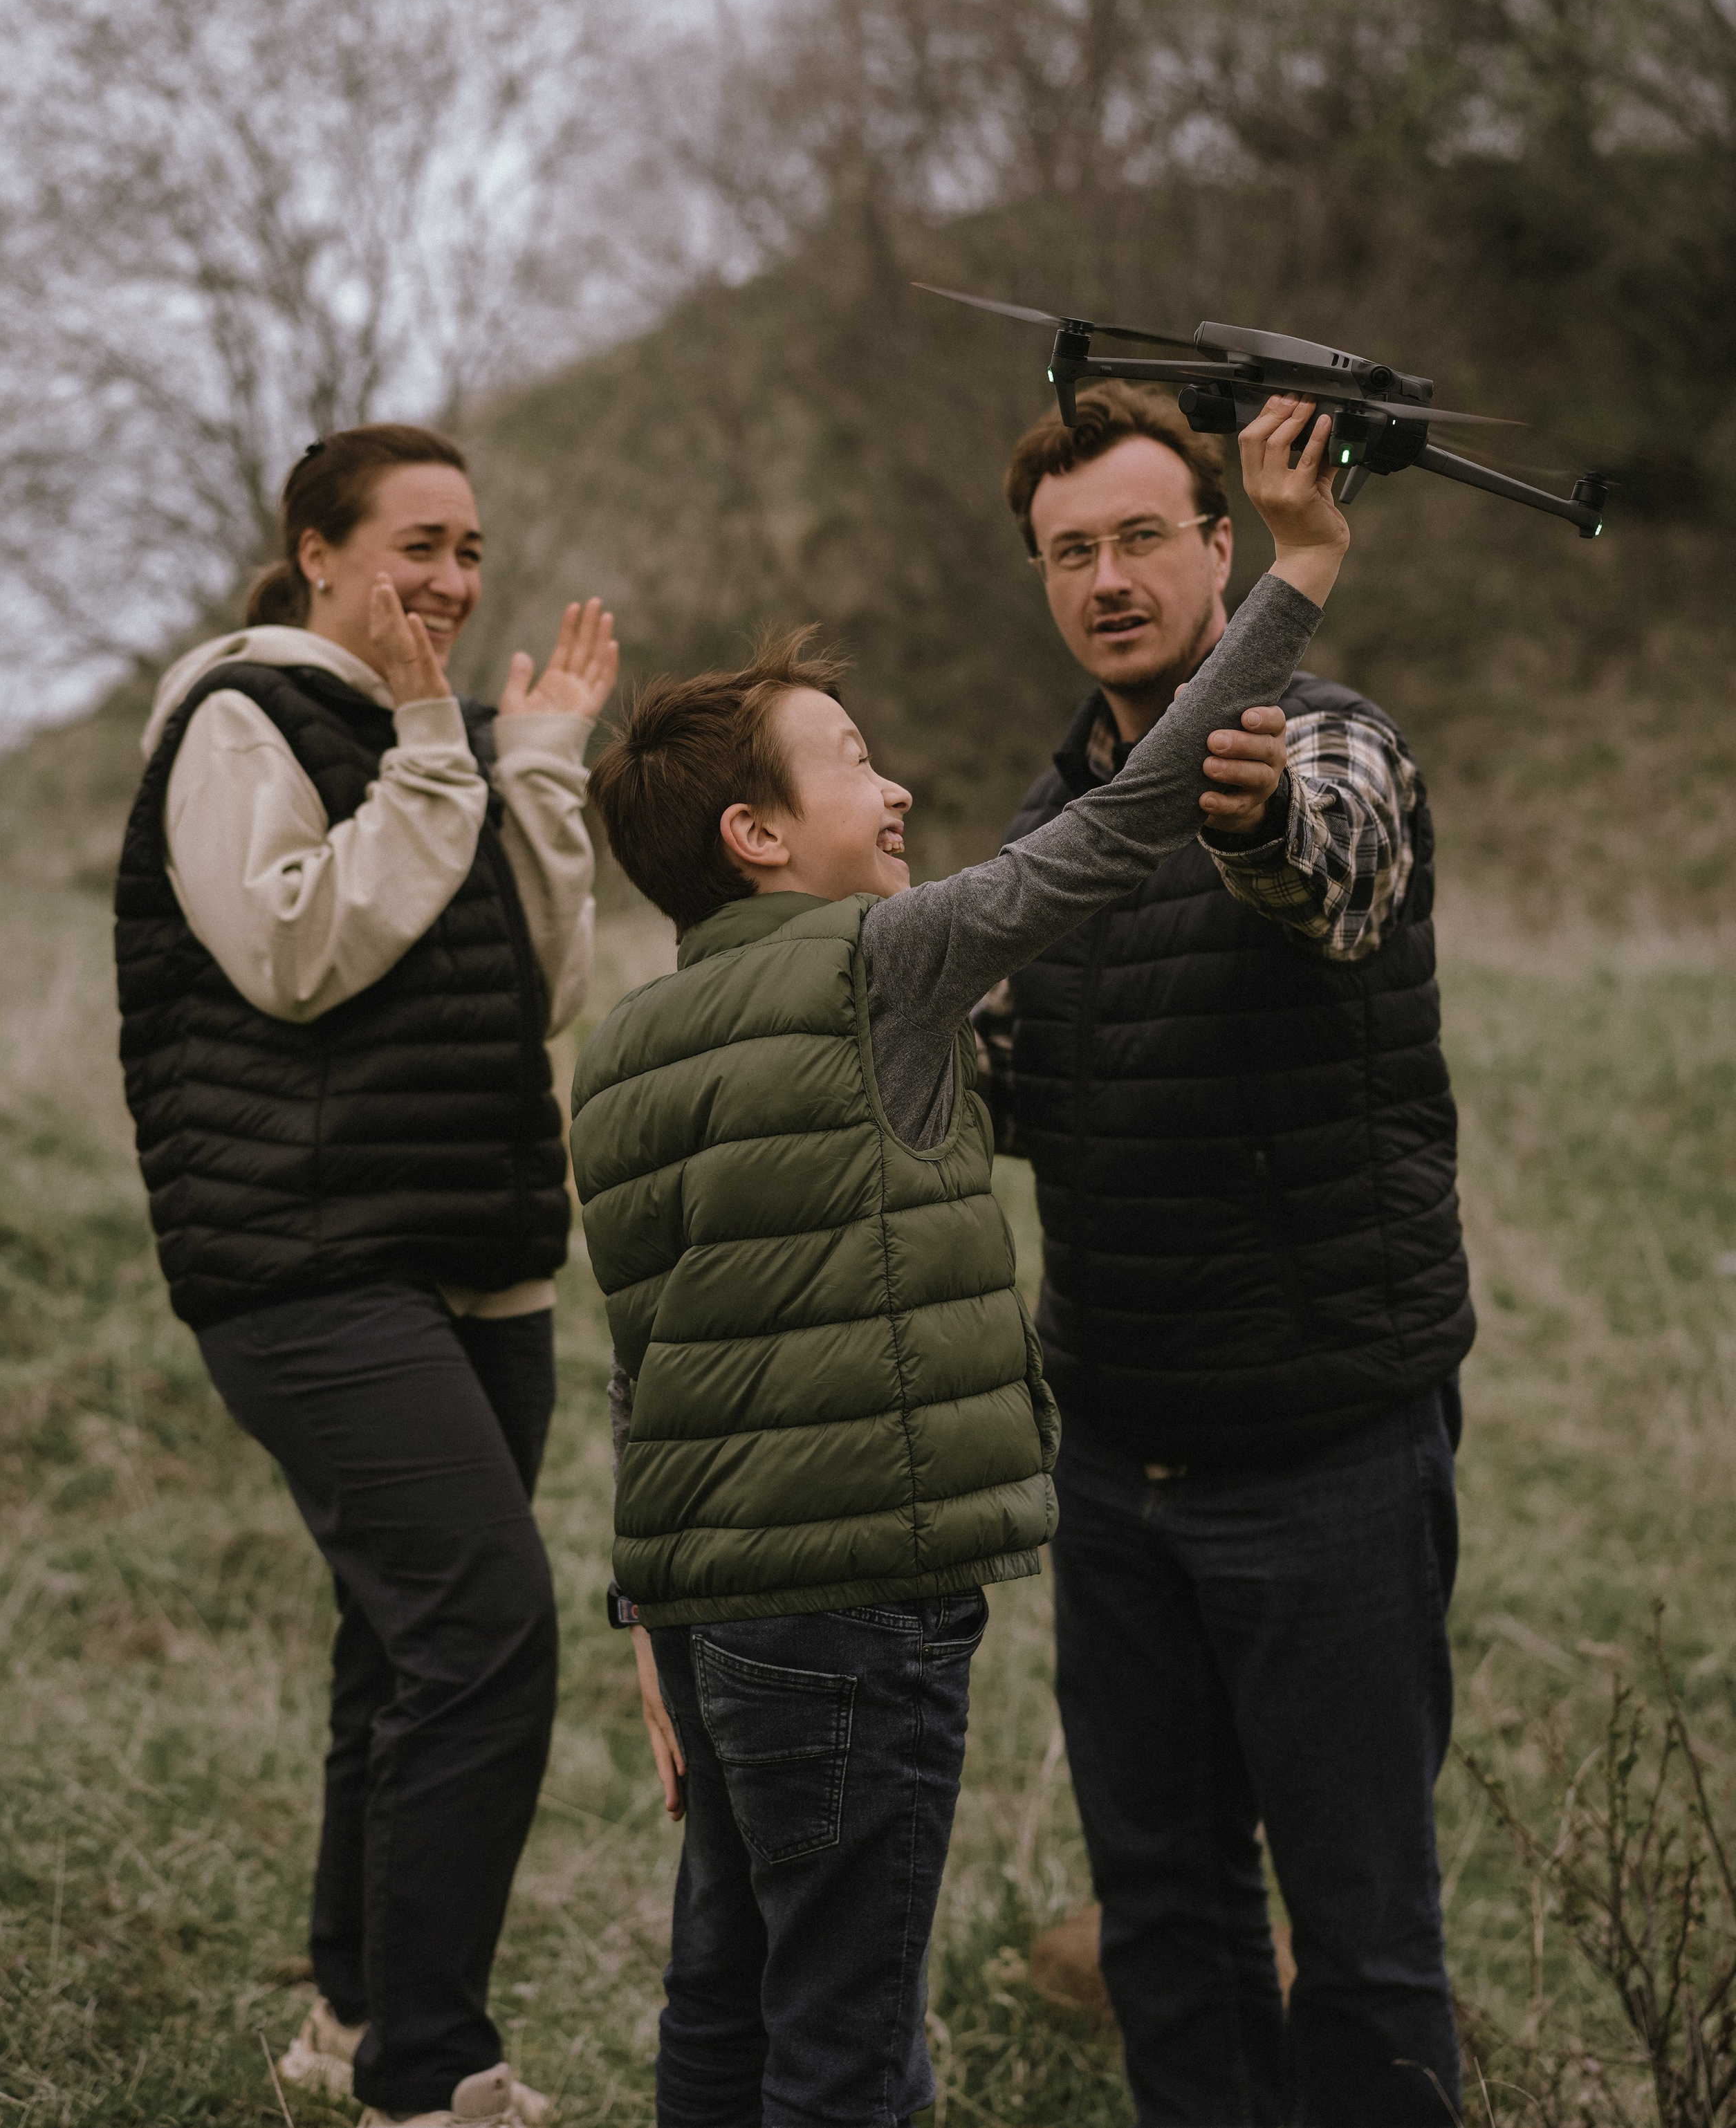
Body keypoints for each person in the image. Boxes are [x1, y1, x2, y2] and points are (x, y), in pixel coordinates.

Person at [568, 396, 1349, 2128]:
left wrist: (646, 1605)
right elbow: (1123, 822)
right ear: (756, 839)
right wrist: (1292, 571)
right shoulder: (885, 964)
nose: (896, 780)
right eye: (850, 761)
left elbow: (651, 1355)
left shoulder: (621, 1055)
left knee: (723, 1995)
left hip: (712, 1610)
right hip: (851, 1608)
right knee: (849, 2032)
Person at [977, 382, 1475, 2126]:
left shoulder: (1322, 740)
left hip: (1321, 1456)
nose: (1104, 576)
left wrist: (1246, 818)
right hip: (1115, 1469)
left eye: (1136, 538)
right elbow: (981, 1093)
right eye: (1067, 552)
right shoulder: (1044, 840)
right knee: (1167, 1930)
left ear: (1213, 546)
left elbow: (1327, 873)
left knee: (1359, 1941)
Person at [113, 425, 619, 2128]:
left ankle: (347, 2017)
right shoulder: (236, 721)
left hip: (479, 1262)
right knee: (486, 1638)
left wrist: (534, 759)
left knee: (401, 1651)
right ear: (316, 552)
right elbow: (298, 950)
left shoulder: (443, 742)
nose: (455, 582)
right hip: (304, 1263)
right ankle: (435, 2070)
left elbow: (537, 985)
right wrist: (430, 751)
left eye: (472, 547)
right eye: (418, 543)